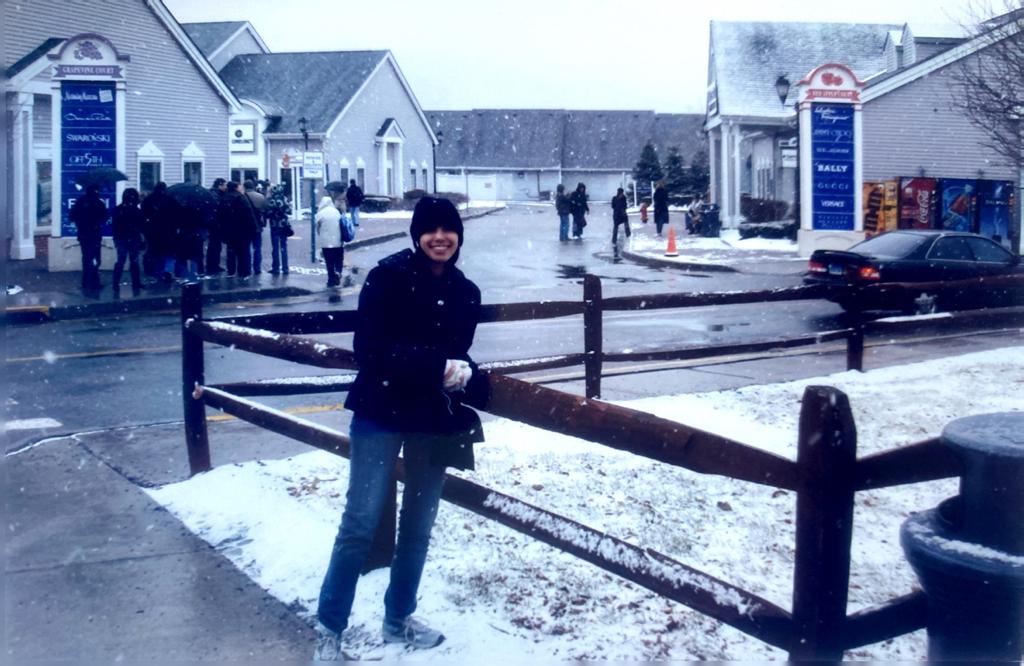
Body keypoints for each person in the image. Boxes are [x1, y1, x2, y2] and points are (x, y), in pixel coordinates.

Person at [314, 196, 489, 661]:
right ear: (416, 235)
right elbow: (370, 348)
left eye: (447, 230)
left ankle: (398, 619)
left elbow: (458, 352)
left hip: (432, 419)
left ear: (458, 236)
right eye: (429, 230)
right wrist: (436, 366)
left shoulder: (465, 291)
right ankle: (329, 629)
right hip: (379, 410)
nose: (439, 238)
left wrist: (474, 376)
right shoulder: (387, 276)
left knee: (418, 526)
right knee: (359, 522)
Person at [70, 184, 108, 291]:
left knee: (86, 257)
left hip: (83, 233)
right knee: (95, 258)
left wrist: (81, 222)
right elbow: (104, 216)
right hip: (95, 234)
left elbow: (72, 216)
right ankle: (95, 282)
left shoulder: (80, 202)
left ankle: (86, 281)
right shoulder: (98, 203)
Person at [111, 188, 145, 295]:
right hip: (132, 238)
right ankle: (136, 282)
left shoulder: (118, 210)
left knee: (121, 260)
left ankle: (115, 283)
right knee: (134, 261)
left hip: (121, 238)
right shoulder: (136, 210)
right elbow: (141, 224)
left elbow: (115, 225)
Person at [142, 182, 177, 282]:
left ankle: (158, 273)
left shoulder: (148, 200)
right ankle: (167, 271)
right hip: (168, 231)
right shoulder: (170, 200)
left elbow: (143, 215)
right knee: (170, 253)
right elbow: (177, 215)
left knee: (156, 253)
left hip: (153, 231)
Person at [222, 181, 258, 278]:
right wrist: (254, 227)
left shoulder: (224, 198)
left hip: (229, 230)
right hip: (242, 229)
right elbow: (248, 213)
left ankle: (231, 270)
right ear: (236, 187)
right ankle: (244, 271)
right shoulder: (241, 198)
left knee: (231, 251)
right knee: (243, 251)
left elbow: (220, 216)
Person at [316, 194, 345, 288]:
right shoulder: (336, 212)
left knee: (329, 261)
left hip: (326, 243)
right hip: (337, 241)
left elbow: (318, 229)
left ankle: (331, 279)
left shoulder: (320, 214)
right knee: (339, 259)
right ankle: (338, 272)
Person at [265, 184, 292, 275]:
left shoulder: (271, 200)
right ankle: (285, 268)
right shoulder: (284, 199)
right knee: (284, 247)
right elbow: (289, 211)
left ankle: (276, 268)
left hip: (274, 226)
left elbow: (267, 213)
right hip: (283, 226)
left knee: (275, 248)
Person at [205, 178, 227, 275]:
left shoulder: (211, 193)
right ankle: (212, 266)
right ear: (220, 185)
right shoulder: (216, 195)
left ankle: (214, 265)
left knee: (214, 246)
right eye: (224, 185)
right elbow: (219, 209)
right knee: (215, 246)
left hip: (212, 223)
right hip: (216, 224)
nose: (225, 187)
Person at [245, 180, 267, 273]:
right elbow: (265, 210)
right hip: (258, 226)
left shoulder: (242, 197)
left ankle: (247, 267)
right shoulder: (260, 196)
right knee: (257, 248)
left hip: (246, 226)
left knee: (246, 248)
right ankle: (257, 268)